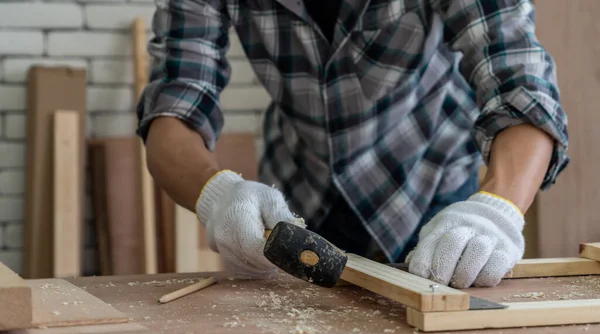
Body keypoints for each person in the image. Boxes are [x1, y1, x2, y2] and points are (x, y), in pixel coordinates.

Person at [136, 0, 569, 288]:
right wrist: (216, 193)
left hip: (434, 192)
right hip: (296, 193)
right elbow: (174, 105)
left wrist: (498, 208)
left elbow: (520, 87)